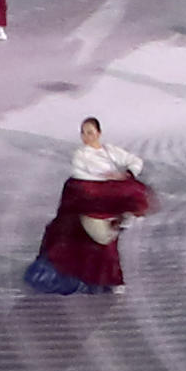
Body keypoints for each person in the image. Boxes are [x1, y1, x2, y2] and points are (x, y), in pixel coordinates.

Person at [21, 119, 153, 294]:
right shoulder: (81, 155)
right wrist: (109, 182)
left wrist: (123, 175)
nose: (86, 137)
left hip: (105, 202)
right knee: (80, 240)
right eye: (83, 133)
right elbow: (82, 177)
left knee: (104, 243)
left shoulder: (110, 151)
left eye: (90, 132)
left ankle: (106, 277)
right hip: (86, 203)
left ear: (98, 133)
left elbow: (135, 162)